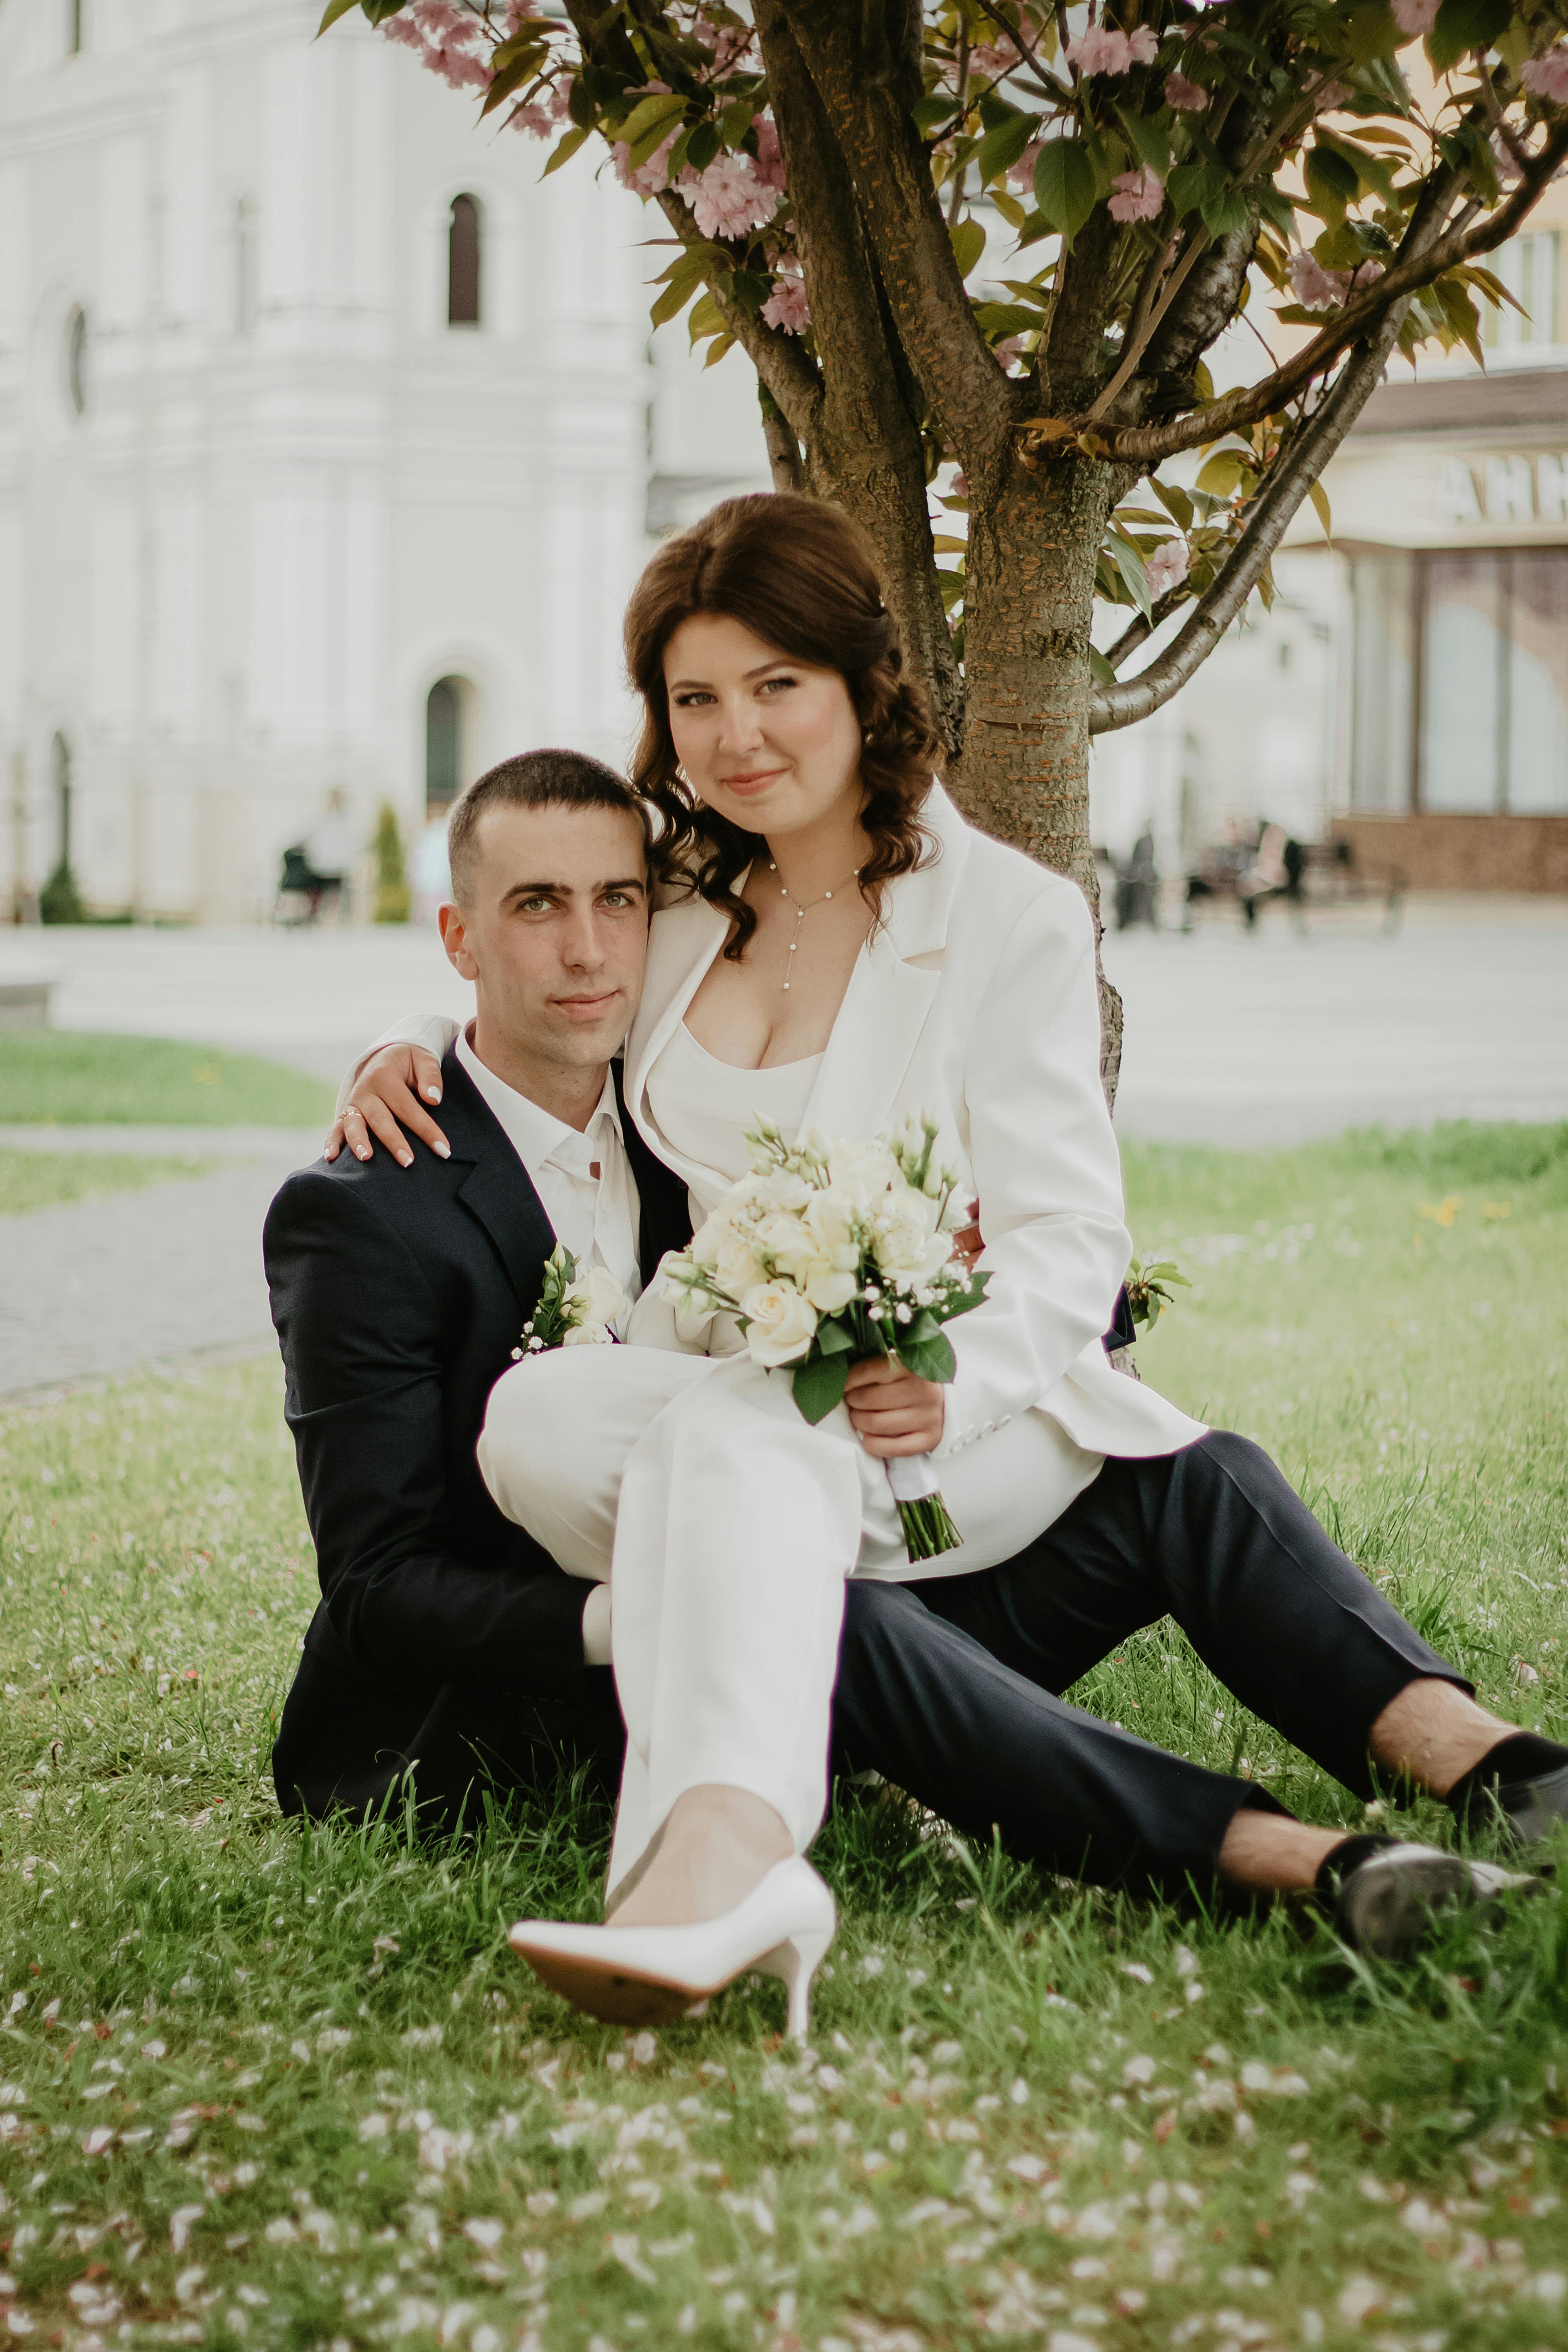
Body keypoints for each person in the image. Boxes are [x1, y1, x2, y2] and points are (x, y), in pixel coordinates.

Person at [334, 495, 1564, 2038]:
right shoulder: (680, 900)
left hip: (934, 1439)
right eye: (694, 698)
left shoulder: (1004, 921)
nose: (734, 734)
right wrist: (417, 1049)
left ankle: (713, 1855)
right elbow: (543, 972)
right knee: (538, 1423)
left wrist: (948, 1376)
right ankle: (1319, 1861)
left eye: (775, 684)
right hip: (744, 1425)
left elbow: (1067, 1239)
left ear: (864, 684)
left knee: (813, 1454)